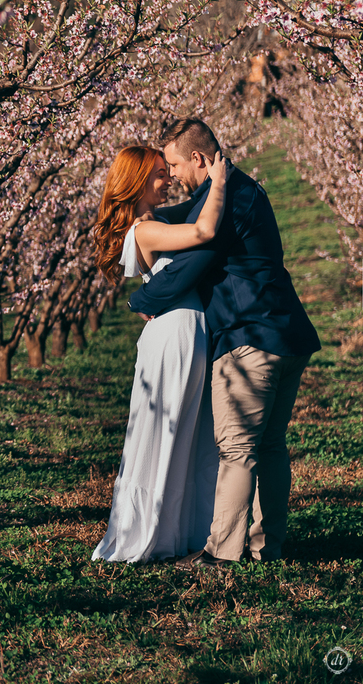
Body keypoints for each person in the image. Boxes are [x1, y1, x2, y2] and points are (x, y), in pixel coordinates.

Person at [129, 119, 320, 568]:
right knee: (270, 445)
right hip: (286, 335)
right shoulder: (239, 188)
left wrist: (142, 297)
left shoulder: (225, 203)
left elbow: (191, 264)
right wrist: (152, 218)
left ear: (197, 159)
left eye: (174, 163)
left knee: (236, 450)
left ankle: (223, 554)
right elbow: (190, 213)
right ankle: (265, 547)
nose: (171, 174)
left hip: (250, 337)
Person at [89, 144, 225, 563]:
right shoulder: (143, 231)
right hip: (173, 335)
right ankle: (143, 534)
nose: (167, 180)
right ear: (137, 182)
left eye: (168, 172)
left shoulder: (151, 221)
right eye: (158, 175)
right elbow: (203, 233)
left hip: (184, 329)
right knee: (164, 432)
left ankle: (178, 530)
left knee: (185, 434)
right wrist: (219, 183)